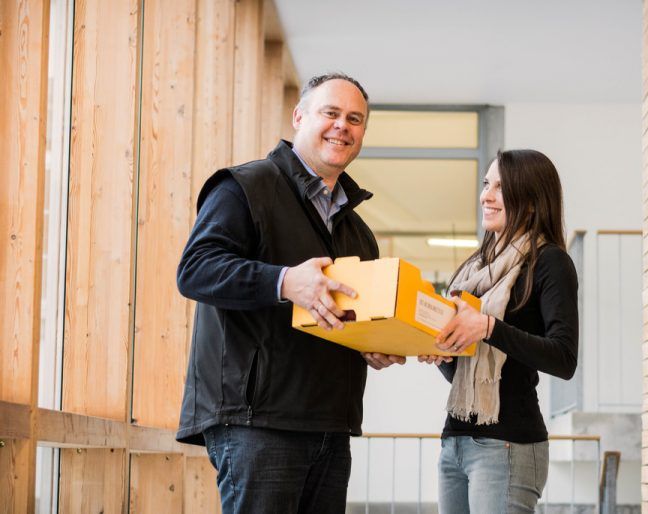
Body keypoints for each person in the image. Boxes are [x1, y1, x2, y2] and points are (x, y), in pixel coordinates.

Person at [176, 72, 404, 514]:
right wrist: (283, 281)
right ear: (299, 116)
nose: (343, 126)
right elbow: (195, 269)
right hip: (257, 422)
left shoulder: (358, 232)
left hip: (330, 424)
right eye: (331, 113)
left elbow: (350, 318)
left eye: (355, 119)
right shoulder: (245, 186)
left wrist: (374, 345)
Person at [419, 149, 578, 513]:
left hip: (509, 445)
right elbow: (470, 371)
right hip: (455, 443)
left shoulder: (550, 262)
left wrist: (489, 326)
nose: (486, 196)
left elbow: (564, 358)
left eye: (500, 188)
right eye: (486, 184)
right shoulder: (474, 269)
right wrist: (443, 354)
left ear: (533, 202)